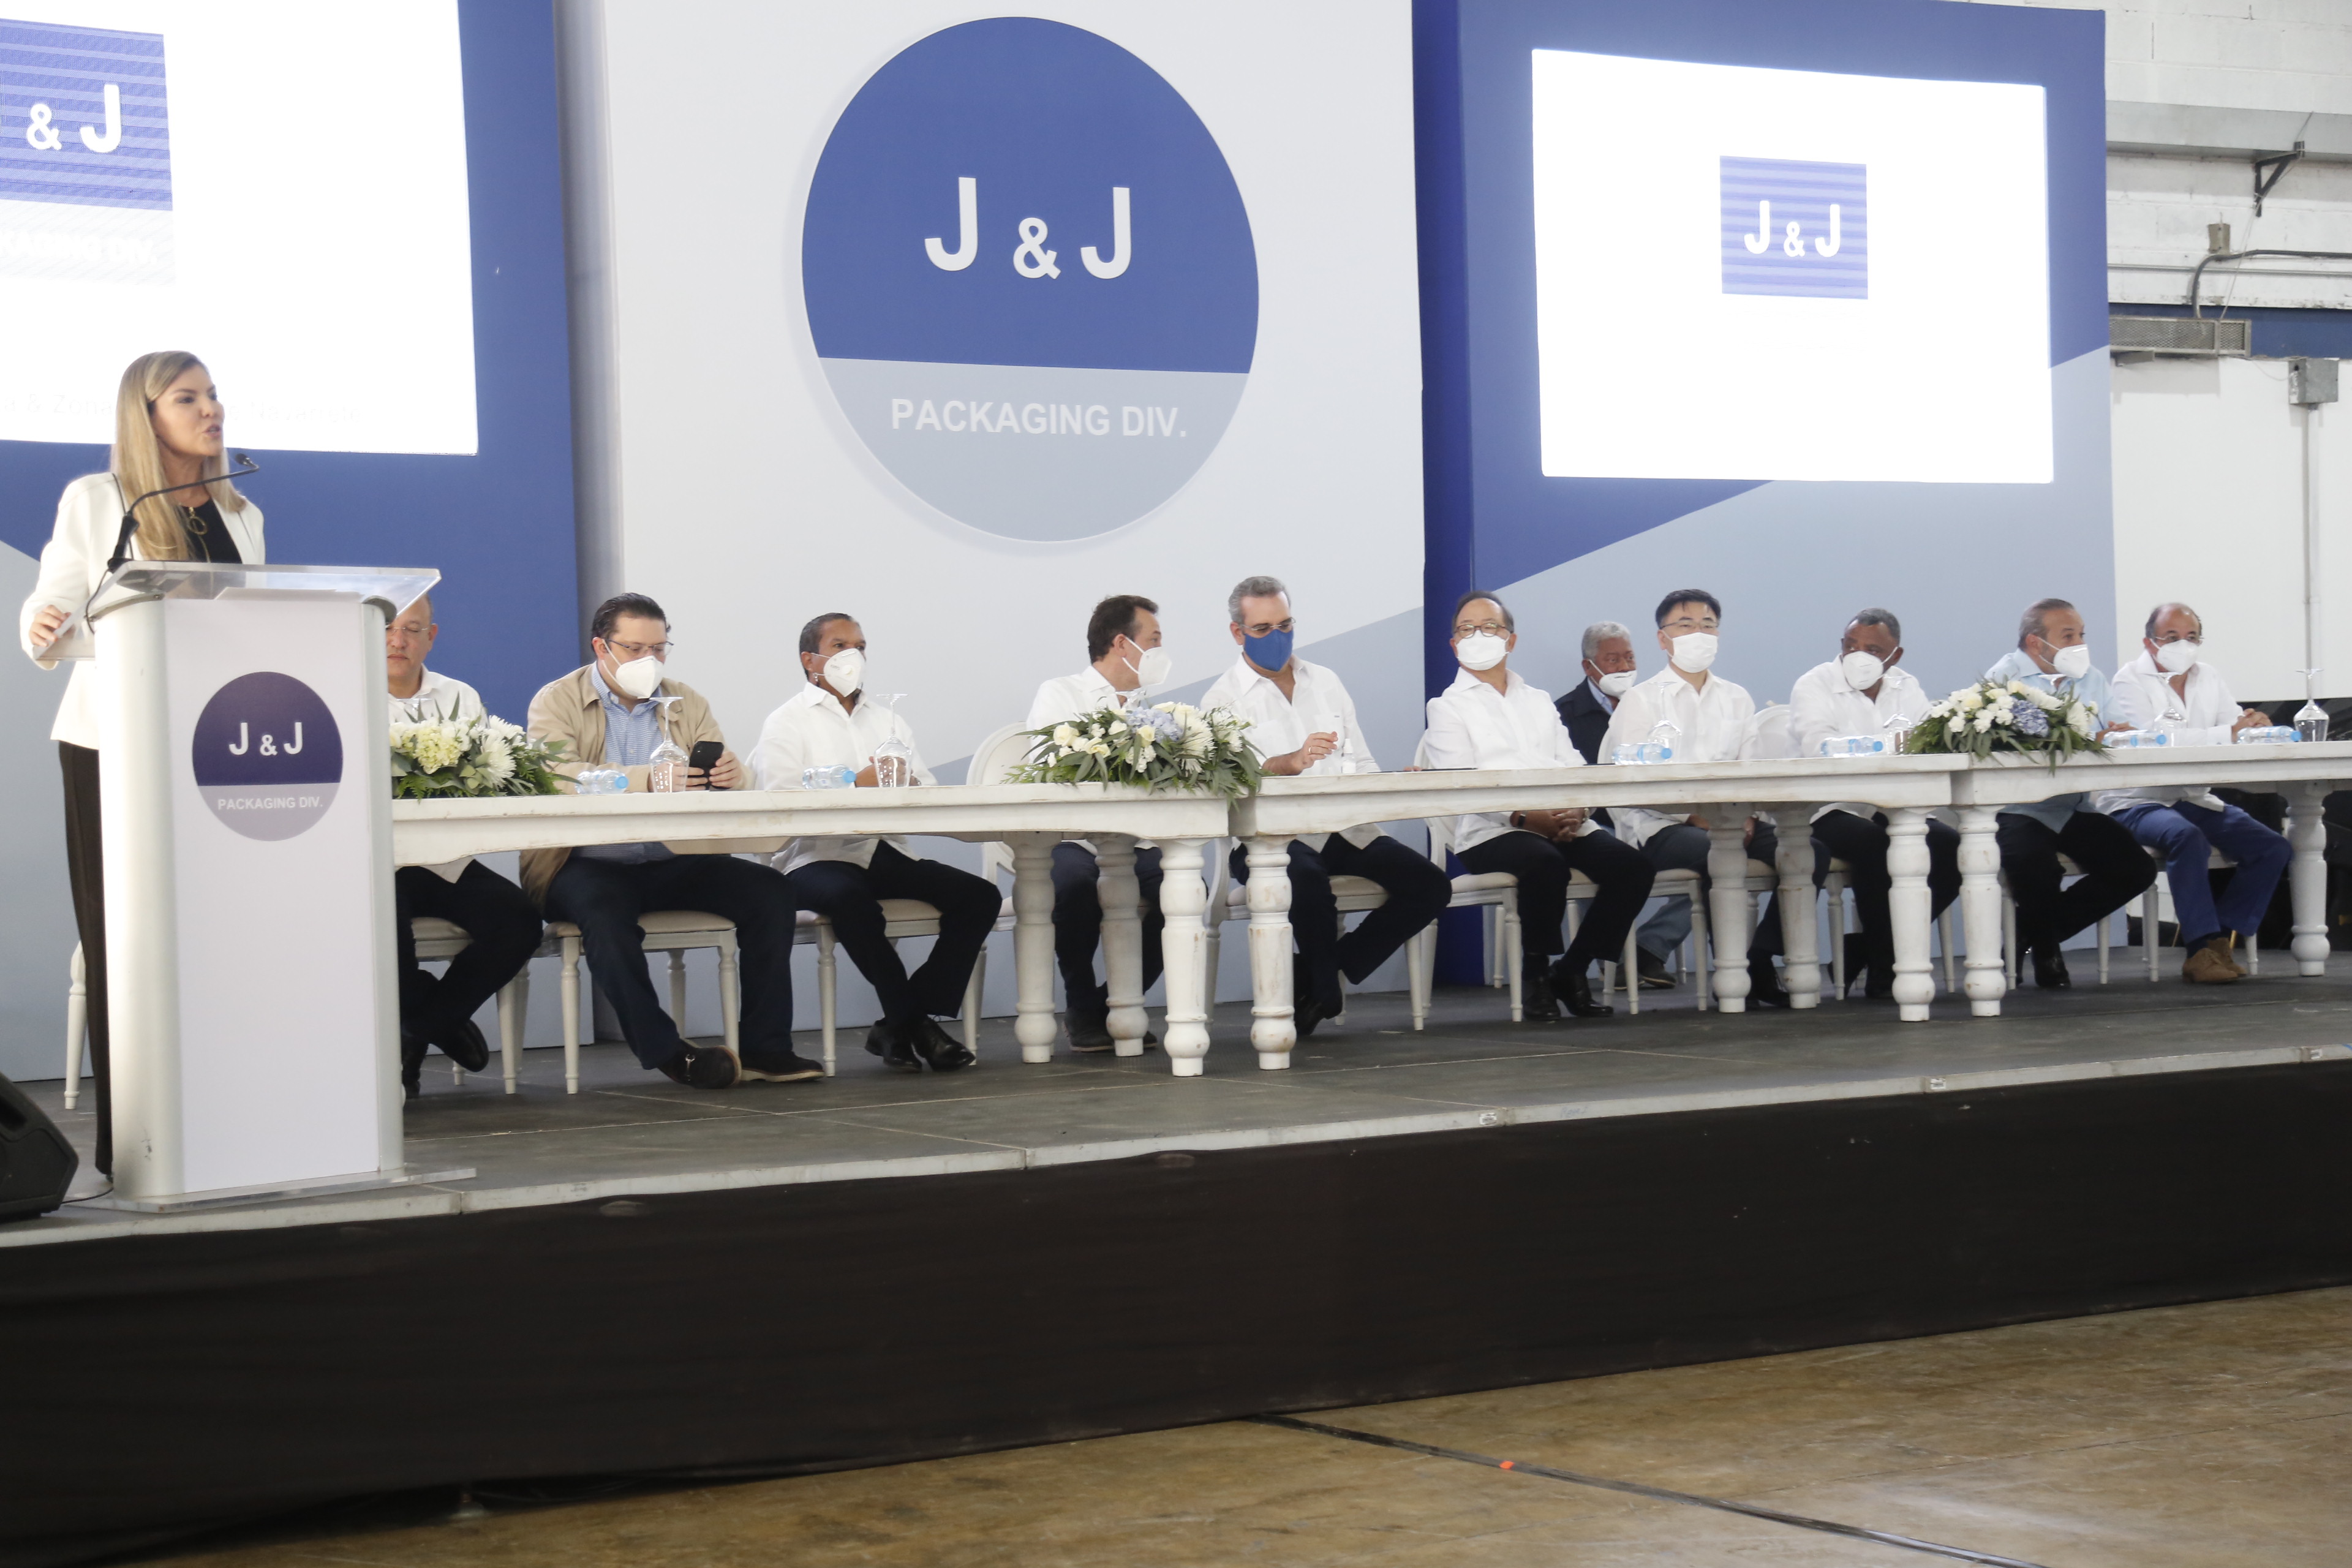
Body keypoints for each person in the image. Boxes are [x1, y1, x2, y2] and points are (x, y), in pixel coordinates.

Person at [19, 352, 261, 1174]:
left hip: (213, 744)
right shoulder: (100, 499)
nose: (211, 409)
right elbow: (58, 596)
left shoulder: (243, 514)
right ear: (145, 415)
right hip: (113, 743)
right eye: (188, 398)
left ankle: (218, 1122)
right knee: (122, 938)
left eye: (213, 394)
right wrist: (43, 624)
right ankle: (130, 1142)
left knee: (211, 938)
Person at [524, 593, 820, 1088]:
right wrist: (648, 779)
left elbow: (725, 775)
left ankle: (766, 1048)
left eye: (659, 649)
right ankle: (671, 1054)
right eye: (635, 648)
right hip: (581, 862)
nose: (650, 660)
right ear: (601, 647)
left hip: (673, 858)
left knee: (771, 891)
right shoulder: (557, 700)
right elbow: (556, 777)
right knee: (605, 916)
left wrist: (734, 776)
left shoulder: (686, 701)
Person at [1204, 576, 1450, 1036]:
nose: (1278, 637)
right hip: (1269, 837)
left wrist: (1394, 783)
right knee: (1305, 878)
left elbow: (1362, 761)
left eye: (1285, 625)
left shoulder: (1326, 681)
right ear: (1238, 633)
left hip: (1345, 828)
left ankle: (1322, 975)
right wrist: (1288, 762)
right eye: (1263, 629)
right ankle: (1322, 985)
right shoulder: (1221, 699)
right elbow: (1229, 785)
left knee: (1431, 886)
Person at [753, 612, 995, 1072]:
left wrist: (908, 785)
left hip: (882, 849)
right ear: (809, 659)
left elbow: (926, 789)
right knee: (850, 899)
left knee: (979, 897)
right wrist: (854, 784)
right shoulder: (786, 722)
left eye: (860, 647)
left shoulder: (888, 720)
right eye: (840, 646)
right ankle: (917, 1024)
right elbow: (780, 800)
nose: (853, 656)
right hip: (814, 856)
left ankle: (899, 1022)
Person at [1425, 590, 1656, 1020]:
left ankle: (1571, 969)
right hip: (1491, 831)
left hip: (1562, 821)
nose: (1477, 636)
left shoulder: (1537, 699)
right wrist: (1525, 818)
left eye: (1489, 627)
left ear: (1510, 640)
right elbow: (1463, 785)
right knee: (1544, 862)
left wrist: (1579, 811)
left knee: (1633, 868)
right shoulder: (1447, 707)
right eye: (1466, 629)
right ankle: (1535, 977)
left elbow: (1572, 765)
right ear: (1454, 645)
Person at [385, 595, 543, 1098]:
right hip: (377, 862)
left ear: (431, 637)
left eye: (412, 629)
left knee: (518, 921)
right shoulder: (340, 695)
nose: (397, 640)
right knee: (383, 929)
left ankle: (422, 1027)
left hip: (444, 859)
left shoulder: (459, 696)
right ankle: (422, 1040)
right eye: (387, 627)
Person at [1597, 589, 1789, 1005]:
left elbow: (1751, 769)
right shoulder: (1641, 700)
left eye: (1707, 625)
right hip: (1661, 825)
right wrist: (1696, 817)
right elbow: (1632, 780)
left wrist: (1748, 814)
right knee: (1717, 852)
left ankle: (1760, 954)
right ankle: (1738, 976)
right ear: (1662, 638)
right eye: (1685, 625)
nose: (1698, 633)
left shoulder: (1736, 697)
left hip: (1734, 820)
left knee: (1807, 852)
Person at [2095, 602, 2286, 983]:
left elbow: (2233, 727)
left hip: (2191, 797)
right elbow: (2152, 740)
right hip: (2137, 799)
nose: (2183, 645)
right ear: (2150, 642)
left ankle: (2217, 941)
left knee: (2273, 848)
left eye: (2191, 637)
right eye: (2172, 637)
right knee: (2187, 837)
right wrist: (2229, 733)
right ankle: (2199, 949)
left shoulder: (2208, 676)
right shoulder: (2128, 680)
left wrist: (2254, 726)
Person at [1784, 608, 1961, 998]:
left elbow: (1928, 744)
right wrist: (1891, 745)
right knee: (1876, 845)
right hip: (1829, 807)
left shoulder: (1906, 686)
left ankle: (1872, 948)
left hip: (1894, 806)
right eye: (1851, 646)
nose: (1858, 656)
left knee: (1951, 849)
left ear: (1895, 656)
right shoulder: (1814, 684)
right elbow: (1819, 748)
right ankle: (1885, 966)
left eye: (1873, 650)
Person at [1984, 598, 2157, 987]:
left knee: (2136, 869)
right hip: (2018, 807)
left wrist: (2122, 734)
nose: (2079, 644)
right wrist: (2092, 739)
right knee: (2035, 866)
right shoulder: (2002, 680)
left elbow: (2118, 729)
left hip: (2074, 805)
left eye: (2081, 635)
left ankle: (2030, 936)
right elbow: (2013, 746)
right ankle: (2046, 952)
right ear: (2035, 643)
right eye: (2068, 636)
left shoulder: (2091, 677)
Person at [1025, 594, 1169, 1050]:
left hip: (1135, 841)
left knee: (1183, 890)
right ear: (1123, 644)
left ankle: (1114, 1004)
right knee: (1074, 886)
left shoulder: (1153, 709)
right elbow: (1046, 767)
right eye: (1154, 640)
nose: (1161, 650)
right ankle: (1080, 1002)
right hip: (1074, 839)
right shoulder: (1060, 693)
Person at [1555, 621, 1638, 766]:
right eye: (1613, 660)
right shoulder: (1563, 714)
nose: (1625, 667)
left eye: (1630, 658)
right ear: (1588, 667)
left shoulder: (1646, 703)